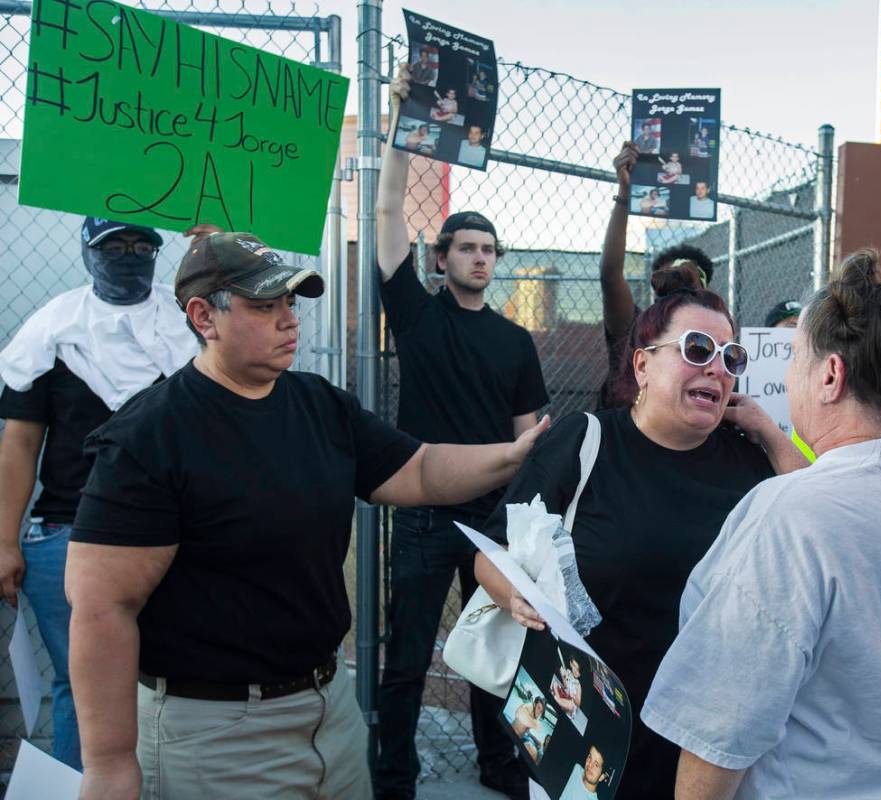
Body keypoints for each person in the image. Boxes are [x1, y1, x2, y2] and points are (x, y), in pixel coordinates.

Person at [65, 230, 548, 800]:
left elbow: (418, 469)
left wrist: (514, 457)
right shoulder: (151, 436)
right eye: (265, 306)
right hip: (215, 734)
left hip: (328, 710)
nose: (289, 320)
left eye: (290, 303)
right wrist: (110, 763)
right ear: (204, 317)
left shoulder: (318, 403)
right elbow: (102, 608)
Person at [642, 250, 881, 799]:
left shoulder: (789, 515)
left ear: (830, 375)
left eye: (794, 357)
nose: (786, 374)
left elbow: (720, 728)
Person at [476, 270, 806, 800]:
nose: (717, 368)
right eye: (698, 349)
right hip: (586, 727)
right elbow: (491, 552)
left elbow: (817, 516)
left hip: (705, 739)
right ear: (643, 364)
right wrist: (514, 595)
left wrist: (769, 431)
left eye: (731, 358)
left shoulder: (749, 459)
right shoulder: (585, 441)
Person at [374, 64, 550, 800]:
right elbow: (386, 217)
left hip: (491, 521)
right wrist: (399, 124)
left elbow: (529, 439)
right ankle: (393, 780)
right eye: (465, 247)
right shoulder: (414, 314)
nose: (479, 256)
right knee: (407, 660)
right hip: (420, 516)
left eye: (488, 249)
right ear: (440, 259)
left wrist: (530, 531)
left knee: (491, 655)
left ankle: (499, 770)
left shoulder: (515, 343)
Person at [0, 217, 196, 770]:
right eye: (113, 246)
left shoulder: (188, 326)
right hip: (67, 533)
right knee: (81, 692)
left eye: (142, 246)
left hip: (173, 538)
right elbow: (19, 443)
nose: (129, 256)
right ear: (87, 254)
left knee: (177, 688)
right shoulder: (51, 332)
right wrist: (4, 542)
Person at [599, 141, 716, 409]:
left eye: (689, 274)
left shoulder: (713, 343)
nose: (679, 277)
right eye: (670, 272)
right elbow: (610, 274)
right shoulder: (633, 328)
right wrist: (625, 194)